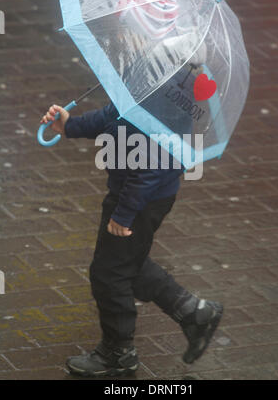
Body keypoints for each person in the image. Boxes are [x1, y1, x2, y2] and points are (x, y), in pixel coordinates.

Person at [40, 100, 223, 378]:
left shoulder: (164, 96)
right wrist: (70, 125)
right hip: (132, 194)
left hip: (139, 200)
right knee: (124, 262)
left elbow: (152, 165)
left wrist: (124, 214)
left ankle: (118, 353)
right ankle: (193, 312)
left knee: (109, 274)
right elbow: (112, 114)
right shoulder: (144, 81)